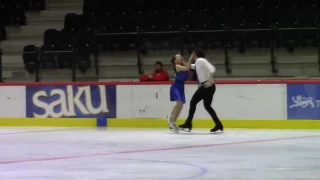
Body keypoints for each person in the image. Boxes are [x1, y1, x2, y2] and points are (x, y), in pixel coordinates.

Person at [179, 49, 224, 134]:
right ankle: (218, 125)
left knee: (193, 102)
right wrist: (185, 60)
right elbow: (190, 67)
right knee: (207, 106)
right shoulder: (198, 62)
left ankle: (188, 123)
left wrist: (210, 80)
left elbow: (212, 69)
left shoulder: (201, 60)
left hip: (207, 86)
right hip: (208, 87)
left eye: (193, 53)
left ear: (195, 53)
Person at [167, 54, 193, 133]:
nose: (180, 57)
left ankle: (173, 121)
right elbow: (187, 68)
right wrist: (191, 58)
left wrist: (185, 62)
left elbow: (190, 68)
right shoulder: (177, 66)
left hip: (181, 87)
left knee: (181, 106)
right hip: (176, 86)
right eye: (177, 57)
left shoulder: (182, 65)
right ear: (175, 61)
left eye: (180, 56)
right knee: (179, 103)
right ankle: (170, 118)